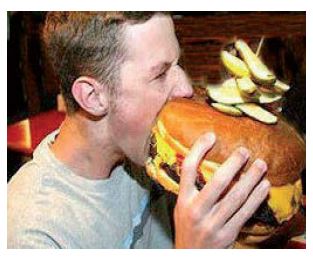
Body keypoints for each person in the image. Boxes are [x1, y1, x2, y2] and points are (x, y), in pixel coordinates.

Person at [7, 11, 270, 249]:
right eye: (160, 74)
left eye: (178, 64)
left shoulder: (150, 151)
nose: (186, 88)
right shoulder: (33, 235)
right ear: (93, 97)